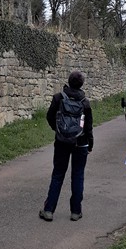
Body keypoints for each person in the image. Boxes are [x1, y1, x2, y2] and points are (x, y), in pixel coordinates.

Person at [39, 70, 94, 222]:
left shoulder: (58, 98)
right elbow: (88, 126)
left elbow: (50, 116)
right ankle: (76, 212)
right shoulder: (85, 102)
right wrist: (90, 143)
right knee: (78, 175)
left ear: (68, 82)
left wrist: (58, 131)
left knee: (57, 175)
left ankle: (49, 210)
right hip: (80, 142)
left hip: (62, 141)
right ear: (82, 84)